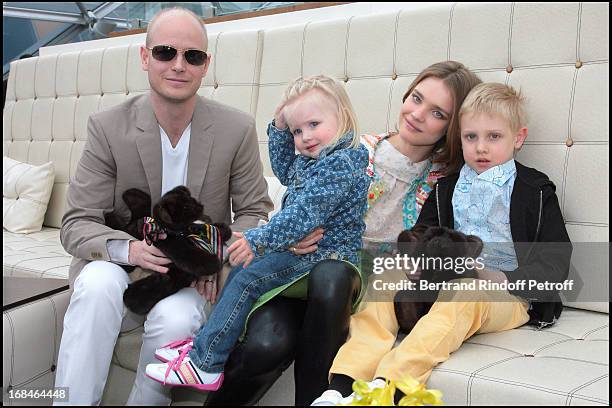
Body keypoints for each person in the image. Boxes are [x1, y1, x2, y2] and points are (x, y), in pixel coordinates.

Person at [201, 61, 482, 406]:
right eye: (416, 98)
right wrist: (291, 235)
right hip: (302, 268)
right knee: (265, 345)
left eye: (438, 113)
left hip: (356, 289)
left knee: (333, 274)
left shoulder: (447, 184)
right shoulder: (350, 148)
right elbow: (297, 192)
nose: (418, 114)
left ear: (451, 128)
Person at [53, 7, 272, 405]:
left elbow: (255, 211)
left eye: (192, 56)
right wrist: (131, 249)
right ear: (144, 57)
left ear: (206, 65)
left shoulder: (236, 129)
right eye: (165, 52)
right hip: (118, 262)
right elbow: (77, 223)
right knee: (96, 285)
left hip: (190, 276)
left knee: (177, 319)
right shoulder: (107, 127)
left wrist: (216, 257)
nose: (178, 65)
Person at [312, 82, 572, 405]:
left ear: (518, 138)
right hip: (441, 281)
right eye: (471, 137)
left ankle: (388, 386)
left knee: (466, 290)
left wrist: (498, 278)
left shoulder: (535, 190)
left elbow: (556, 262)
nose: (481, 148)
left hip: (507, 294)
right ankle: (343, 385)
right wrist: (409, 258)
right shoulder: (447, 188)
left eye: (494, 137)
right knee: (385, 279)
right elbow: (422, 233)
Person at [144, 74, 371, 391]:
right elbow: (282, 168)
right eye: (297, 130)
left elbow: (302, 217)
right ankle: (209, 348)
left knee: (249, 278)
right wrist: (279, 126)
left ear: (342, 117)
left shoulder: (338, 165)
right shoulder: (315, 158)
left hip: (326, 256)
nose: (305, 136)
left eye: (314, 124)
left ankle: (205, 363)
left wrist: (257, 238)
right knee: (242, 269)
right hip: (309, 252)